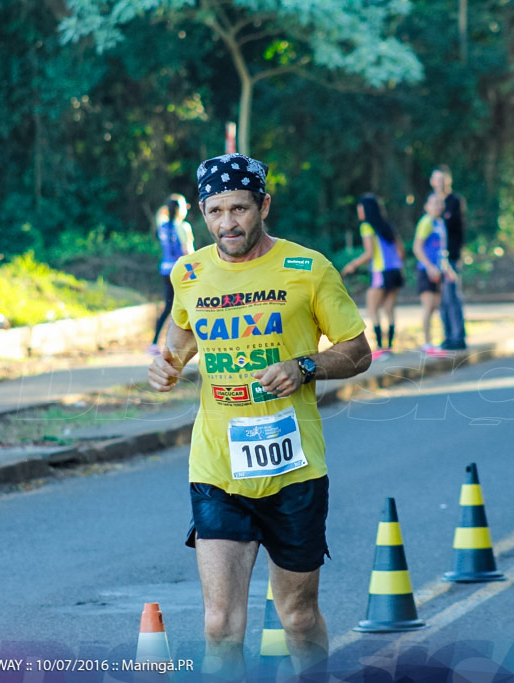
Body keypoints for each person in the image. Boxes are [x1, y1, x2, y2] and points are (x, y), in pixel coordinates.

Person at [147, 154, 371, 679]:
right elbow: (177, 339)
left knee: (296, 617)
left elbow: (358, 350)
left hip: (293, 470)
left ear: (263, 205)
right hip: (217, 469)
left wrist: (305, 365)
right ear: (203, 212)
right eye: (216, 211)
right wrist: (166, 366)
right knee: (219, 624)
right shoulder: (190, 272)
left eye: (240, 209)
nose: (228, 224)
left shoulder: (309, 269)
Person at [341, 193, 405, 360]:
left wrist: (352, 265)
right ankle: (389, 347)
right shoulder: (388, 226)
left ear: (366, 209)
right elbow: (401, 251)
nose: (358, 211)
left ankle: (380, 349)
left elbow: (369, 253)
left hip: (380, 272)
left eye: (360, 208)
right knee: (389, 309)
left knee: (372, 309)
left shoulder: (367, 227)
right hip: (396, 271)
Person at [147, 194, 194, 355]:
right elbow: (188, 252)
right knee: (191, 306)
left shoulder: (162, 225)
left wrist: (170, 207)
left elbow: (159, 213)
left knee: (168, 306)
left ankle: (154, 343)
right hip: (181, 272)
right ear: (180, 210)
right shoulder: (183, 227)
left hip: (165, 270)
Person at [412, 192, 457, 355]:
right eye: (433, 203)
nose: (437, 206)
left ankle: (434, 341)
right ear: (427, 206)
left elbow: (441, 251)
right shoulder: (426, 222)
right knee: (428, 306)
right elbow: (417, 248)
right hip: (426, 271)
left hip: (438, 271)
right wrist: (429, 266)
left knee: (436, 307)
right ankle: (426, 342)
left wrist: (447, 269)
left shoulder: (440, 223)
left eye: (439, 203)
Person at [430, 165, 467, 350]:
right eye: (436, 179)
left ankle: (458, 336)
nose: (440, 183)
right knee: (442, 299)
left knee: (452, 296)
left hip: (450, 257)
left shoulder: (454, 201)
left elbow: (456, 229)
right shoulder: (432, 204)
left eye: (443, 179)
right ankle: (448, 336)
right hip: (435, 259)